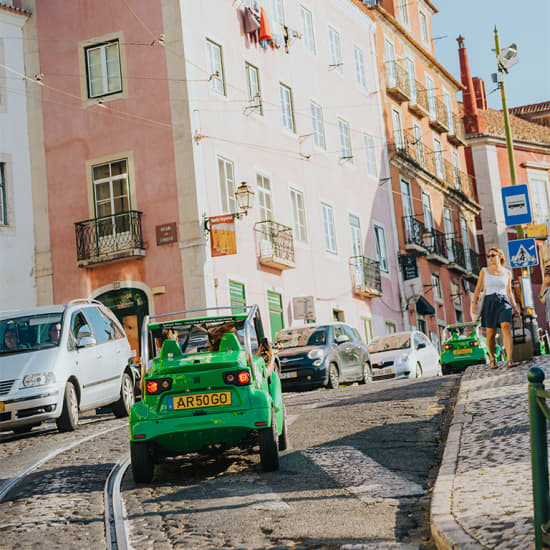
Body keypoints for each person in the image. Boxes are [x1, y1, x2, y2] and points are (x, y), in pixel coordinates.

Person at [471, 247, 521, 369]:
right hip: (489, 302)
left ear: (500, 256)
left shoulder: (507, 273)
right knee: (491, 333)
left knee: (506, 327)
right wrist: (474, 302)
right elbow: (478, 288)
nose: (491, 258)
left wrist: (515, 307)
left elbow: (509, 292)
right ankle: (493, 358)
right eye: (489, 256)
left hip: (504, 301)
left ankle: (509, 359)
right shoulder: (484, 271)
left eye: (493, 255)